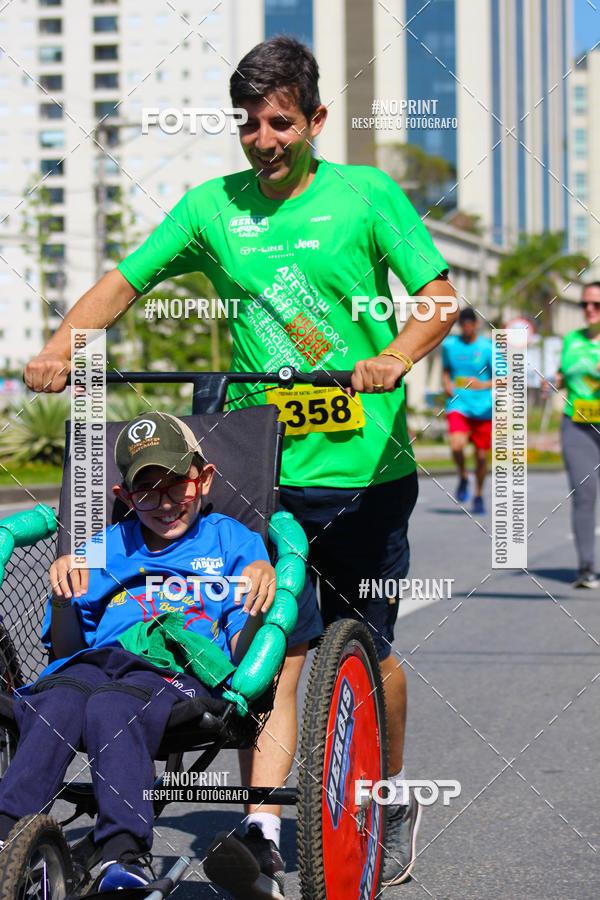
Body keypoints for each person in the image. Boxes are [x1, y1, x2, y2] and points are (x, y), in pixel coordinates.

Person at [23, 37, 458, 892]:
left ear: (316, 120)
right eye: (250, 124)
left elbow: (439, 300)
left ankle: (388, 794)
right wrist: (58, 346)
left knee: (368, 647)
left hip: (366, 471)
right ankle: (263, 819)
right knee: (282, 637)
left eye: (281, 123)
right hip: (267, 462)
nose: (264, 140)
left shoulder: (365, 197)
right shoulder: (211, 209)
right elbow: (123, 283)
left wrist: (395, 357)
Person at [0, 412, 276, 892]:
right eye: (147, 490)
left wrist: (257, 597)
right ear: (125, 497)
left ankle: (123, 857)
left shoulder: (231, 540)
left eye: (178, 484)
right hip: (93, 663)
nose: (166, 503)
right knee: (55, 701)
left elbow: (235, 652)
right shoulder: (107, 546)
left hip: (171, 668)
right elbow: (66, 651)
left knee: (112, 705)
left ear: (204, 478)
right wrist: (62, 601)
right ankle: (5, 837)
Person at [555, 282, 600, 588]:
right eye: (584, 304)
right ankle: (586, 568)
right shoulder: (571, 339)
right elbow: (561, 375)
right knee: (583, 495)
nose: (588, 310)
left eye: (596, 305)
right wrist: (551, 380)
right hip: (577, 423)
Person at [442, 307, 493, 514]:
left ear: (476, 324)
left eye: (470, 323)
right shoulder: (450, 345)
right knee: (456, 445)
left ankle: (478, 494)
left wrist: (483, 384)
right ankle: (463, 475)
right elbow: (446, 369)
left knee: (481, 457)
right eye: (463, 324)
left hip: (483, 408)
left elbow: (505, 377)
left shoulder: (487, 347)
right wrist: (446, 382)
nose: (466, 327)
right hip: (458, 403)